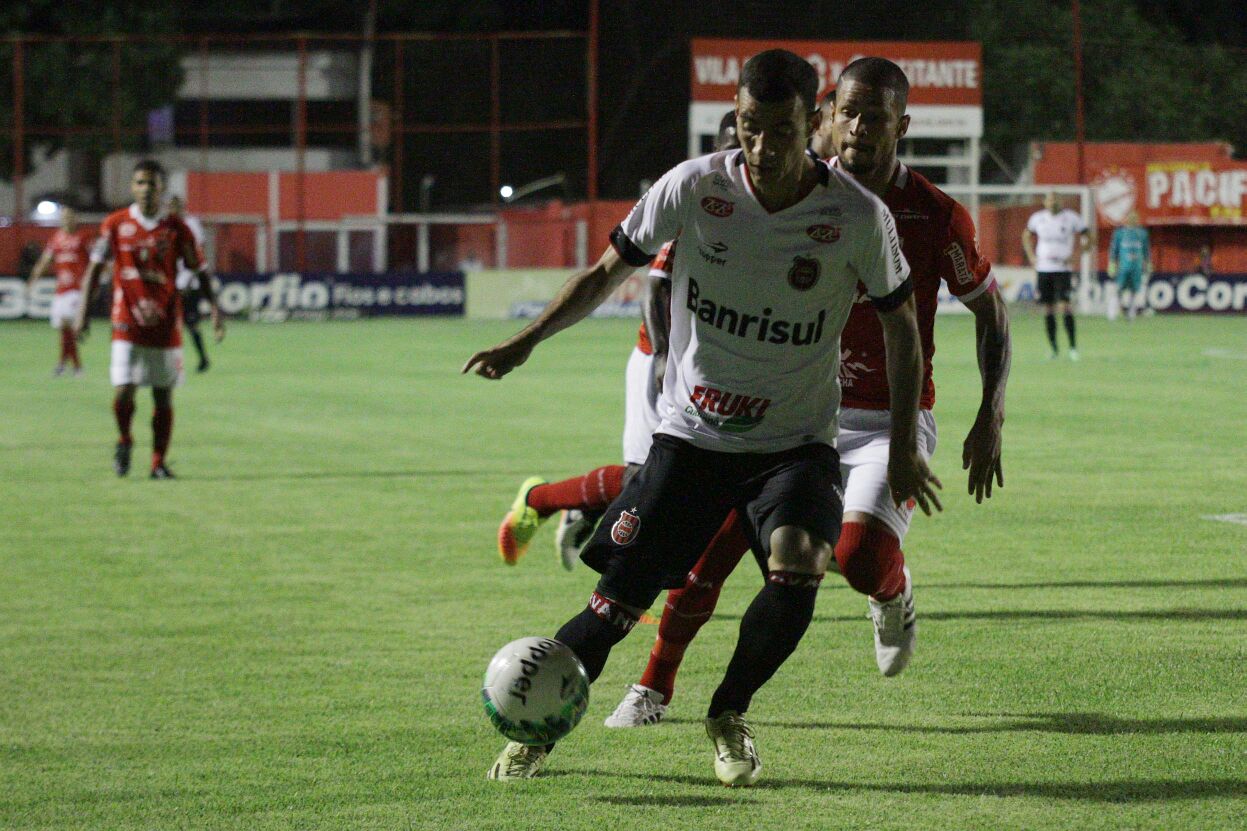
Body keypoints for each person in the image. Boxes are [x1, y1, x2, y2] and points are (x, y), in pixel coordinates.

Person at [465, 49, 938, 786]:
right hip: (690, 440)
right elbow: (604, 273)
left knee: (798, 566)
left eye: (780, 130)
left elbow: (902, 328)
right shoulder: (692, 187)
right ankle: (535, 730)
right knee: (614, 608)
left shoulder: (855, 216)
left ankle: (727, 713)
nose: (763, 146)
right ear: (737, 119)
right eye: (749, 127)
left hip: (793, 447)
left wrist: (904, 444)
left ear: (810, 123)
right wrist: (525, 342)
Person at [605, 58, 1011, 728]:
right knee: (709, 551)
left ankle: (892, 589)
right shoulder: (788, 188)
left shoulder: (934, 215)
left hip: (886, 419)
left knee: (857, 558)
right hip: (787, 417)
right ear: (824, 118)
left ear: (900, 126)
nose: (856, 127)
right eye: (845, 112)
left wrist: (988, 415)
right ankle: (653, 684)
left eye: (873, 115)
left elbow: (991, 313)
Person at [497, 109, 740, 572]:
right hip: (663, 357)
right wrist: (665, 352)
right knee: (648, 479)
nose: (738, 153)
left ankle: (572, 511)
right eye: (731, 142)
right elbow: (655, 281)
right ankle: (545, 503)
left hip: (714, 364)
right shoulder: (700, 196)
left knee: (689, 483)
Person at [74, 159, 225, 479]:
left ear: (162, 189)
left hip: (166, 323)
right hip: (126, 320)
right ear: (132, 187)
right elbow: (94, 272)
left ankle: (158, 462)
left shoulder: (177, 230)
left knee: (162, 394)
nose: (145, 189)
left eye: (152, 184)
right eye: (140, 183)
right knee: (125, 388)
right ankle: (125, 439)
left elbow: (201, 272)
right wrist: (82, 314)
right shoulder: (114, 224)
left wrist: (215, 310)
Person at [1024, 192, 1090, 360]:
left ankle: (1073, 348)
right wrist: (1031, 256)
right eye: (1050, 199)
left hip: (1063, 269)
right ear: (1045, 202)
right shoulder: (1037, 218)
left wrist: (1076, 256)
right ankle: (1053, 349)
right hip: (1044, 268)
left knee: (1065, 306)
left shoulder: (1071, 218)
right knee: (1048, 308)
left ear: (1061, 201)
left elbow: (1089, 237)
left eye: (1056, 199)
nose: (1053, 202)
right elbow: (1026, 236)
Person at [26, 207, 91, 376]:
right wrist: (33, 280)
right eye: (64, 217)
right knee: (64, 330)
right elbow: (45, 261)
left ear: (75, 218)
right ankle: (70, 366)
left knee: (65, 325)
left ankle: (72, 366)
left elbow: (94, 263)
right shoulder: (56, 239)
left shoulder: (83, 238)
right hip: (61, 289)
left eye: (70, 216)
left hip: (76, 289)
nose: (67, 220)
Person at [167, 195, 211, 372]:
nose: (173, 210)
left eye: (176, 206)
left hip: (189, 284)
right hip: (172, 283)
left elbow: (198, 255)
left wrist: (190, 280)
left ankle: (203, 358)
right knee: (169, 325)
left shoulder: (191, 225)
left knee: (191, 323)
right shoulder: (165, 226)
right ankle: (173, 362)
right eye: (170, 206)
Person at [1106, 211, 1150, 322]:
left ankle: (1131, 313)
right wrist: (1112, 263)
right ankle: (1112, 312)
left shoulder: (1142, 234)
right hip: (1123, 267)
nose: (1133, 220)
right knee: (1119, 289)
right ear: (1126, 219)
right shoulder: (1119, 233)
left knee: (1134, 290)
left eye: (1135, 218)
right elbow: (1114, 249)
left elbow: (1146, 250)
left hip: (1137, 267)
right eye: (1130, 218)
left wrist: (1148, 263)